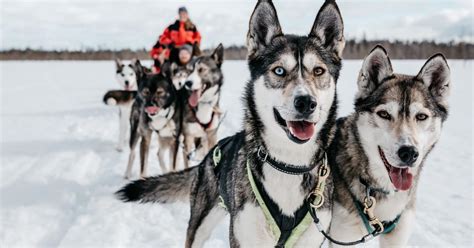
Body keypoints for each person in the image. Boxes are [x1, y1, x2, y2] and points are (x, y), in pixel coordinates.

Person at [151, 7, 201, 72]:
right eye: (181, 13)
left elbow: (198, 37)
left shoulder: (192, 27)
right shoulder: (172, 27)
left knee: (184, 53)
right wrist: (169, 42)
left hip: (188, 47)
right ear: (179, 14)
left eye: (184, 13)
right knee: (167, 58)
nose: (183, 15)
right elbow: (163, 38)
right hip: (175, 48)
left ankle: (190, 69)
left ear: (187, 14)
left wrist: (195, 43)